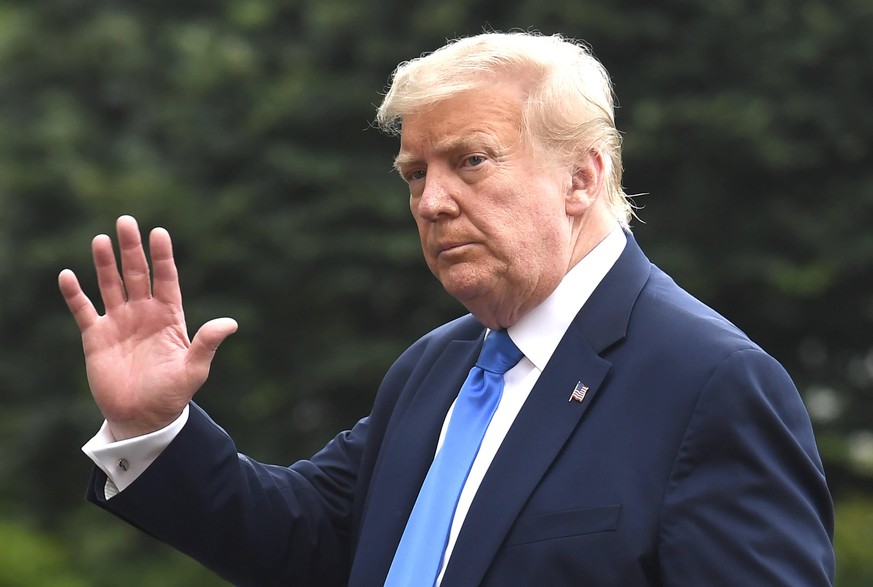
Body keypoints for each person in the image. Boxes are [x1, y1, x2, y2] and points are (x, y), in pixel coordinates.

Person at [58, 31, 835, 586]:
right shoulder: (434, 367)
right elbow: (302, 541)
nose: (431, 202)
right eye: (413, 173)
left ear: (581, 177)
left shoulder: (710, 381)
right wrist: (153, 427)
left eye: (471, 161)